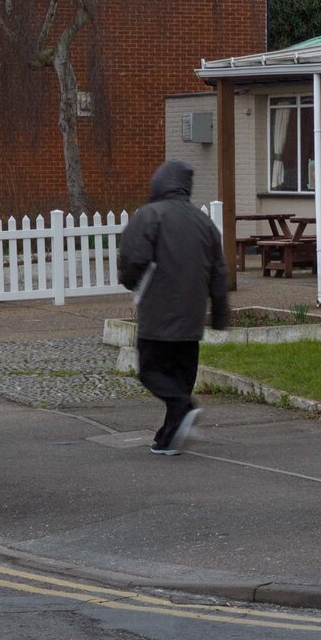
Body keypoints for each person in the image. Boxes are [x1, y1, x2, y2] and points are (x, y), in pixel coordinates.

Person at [116, 158, 231, 455]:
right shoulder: (204, 222)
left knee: (151, 371)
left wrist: (131, 282)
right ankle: (168, 438)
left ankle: (183, 408)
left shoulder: (150, 215)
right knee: (180, 377)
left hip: (158, 312)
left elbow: (132, 258)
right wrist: (219, 314)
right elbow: (219, 272)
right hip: (192, 316)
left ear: (159, 182)